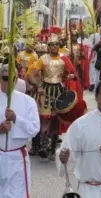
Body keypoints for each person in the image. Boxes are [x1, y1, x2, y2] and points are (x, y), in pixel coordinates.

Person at [0, 64, 40, 198]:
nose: (9, 82)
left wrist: (16, 119)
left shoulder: (27, 101)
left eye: (13, 78)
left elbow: (34, 128)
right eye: (6, 78)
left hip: (16, 159)